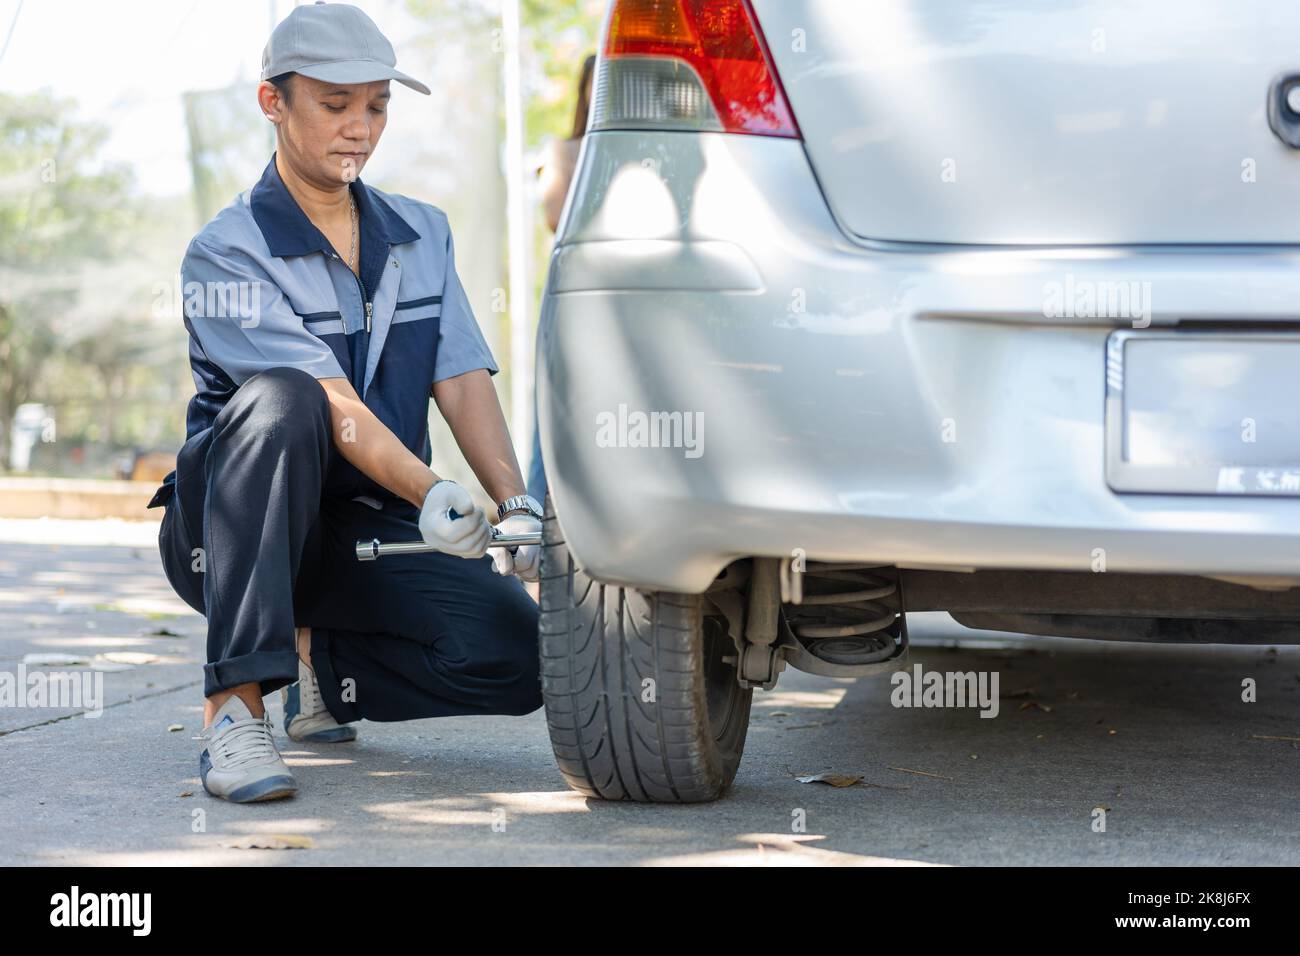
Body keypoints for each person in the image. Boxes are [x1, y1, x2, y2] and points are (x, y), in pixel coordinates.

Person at [147, 1, 544, 804]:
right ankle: (234, 708)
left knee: (520, 653)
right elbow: (329, 404)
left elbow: (460, 376)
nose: (360, 127)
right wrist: (431, 490)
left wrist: (514, 504)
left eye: (377, 104)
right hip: (236, 535)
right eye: (335, 104)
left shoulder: (421, 234)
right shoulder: (227, 252)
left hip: (371, 525)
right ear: (273, 102)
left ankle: (315, 662)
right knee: (283, 399)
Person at [526, 54, 595, 504]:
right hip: (577, 296)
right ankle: (534, 533)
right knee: (552, 413)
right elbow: (554, 216)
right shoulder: (564, 151)